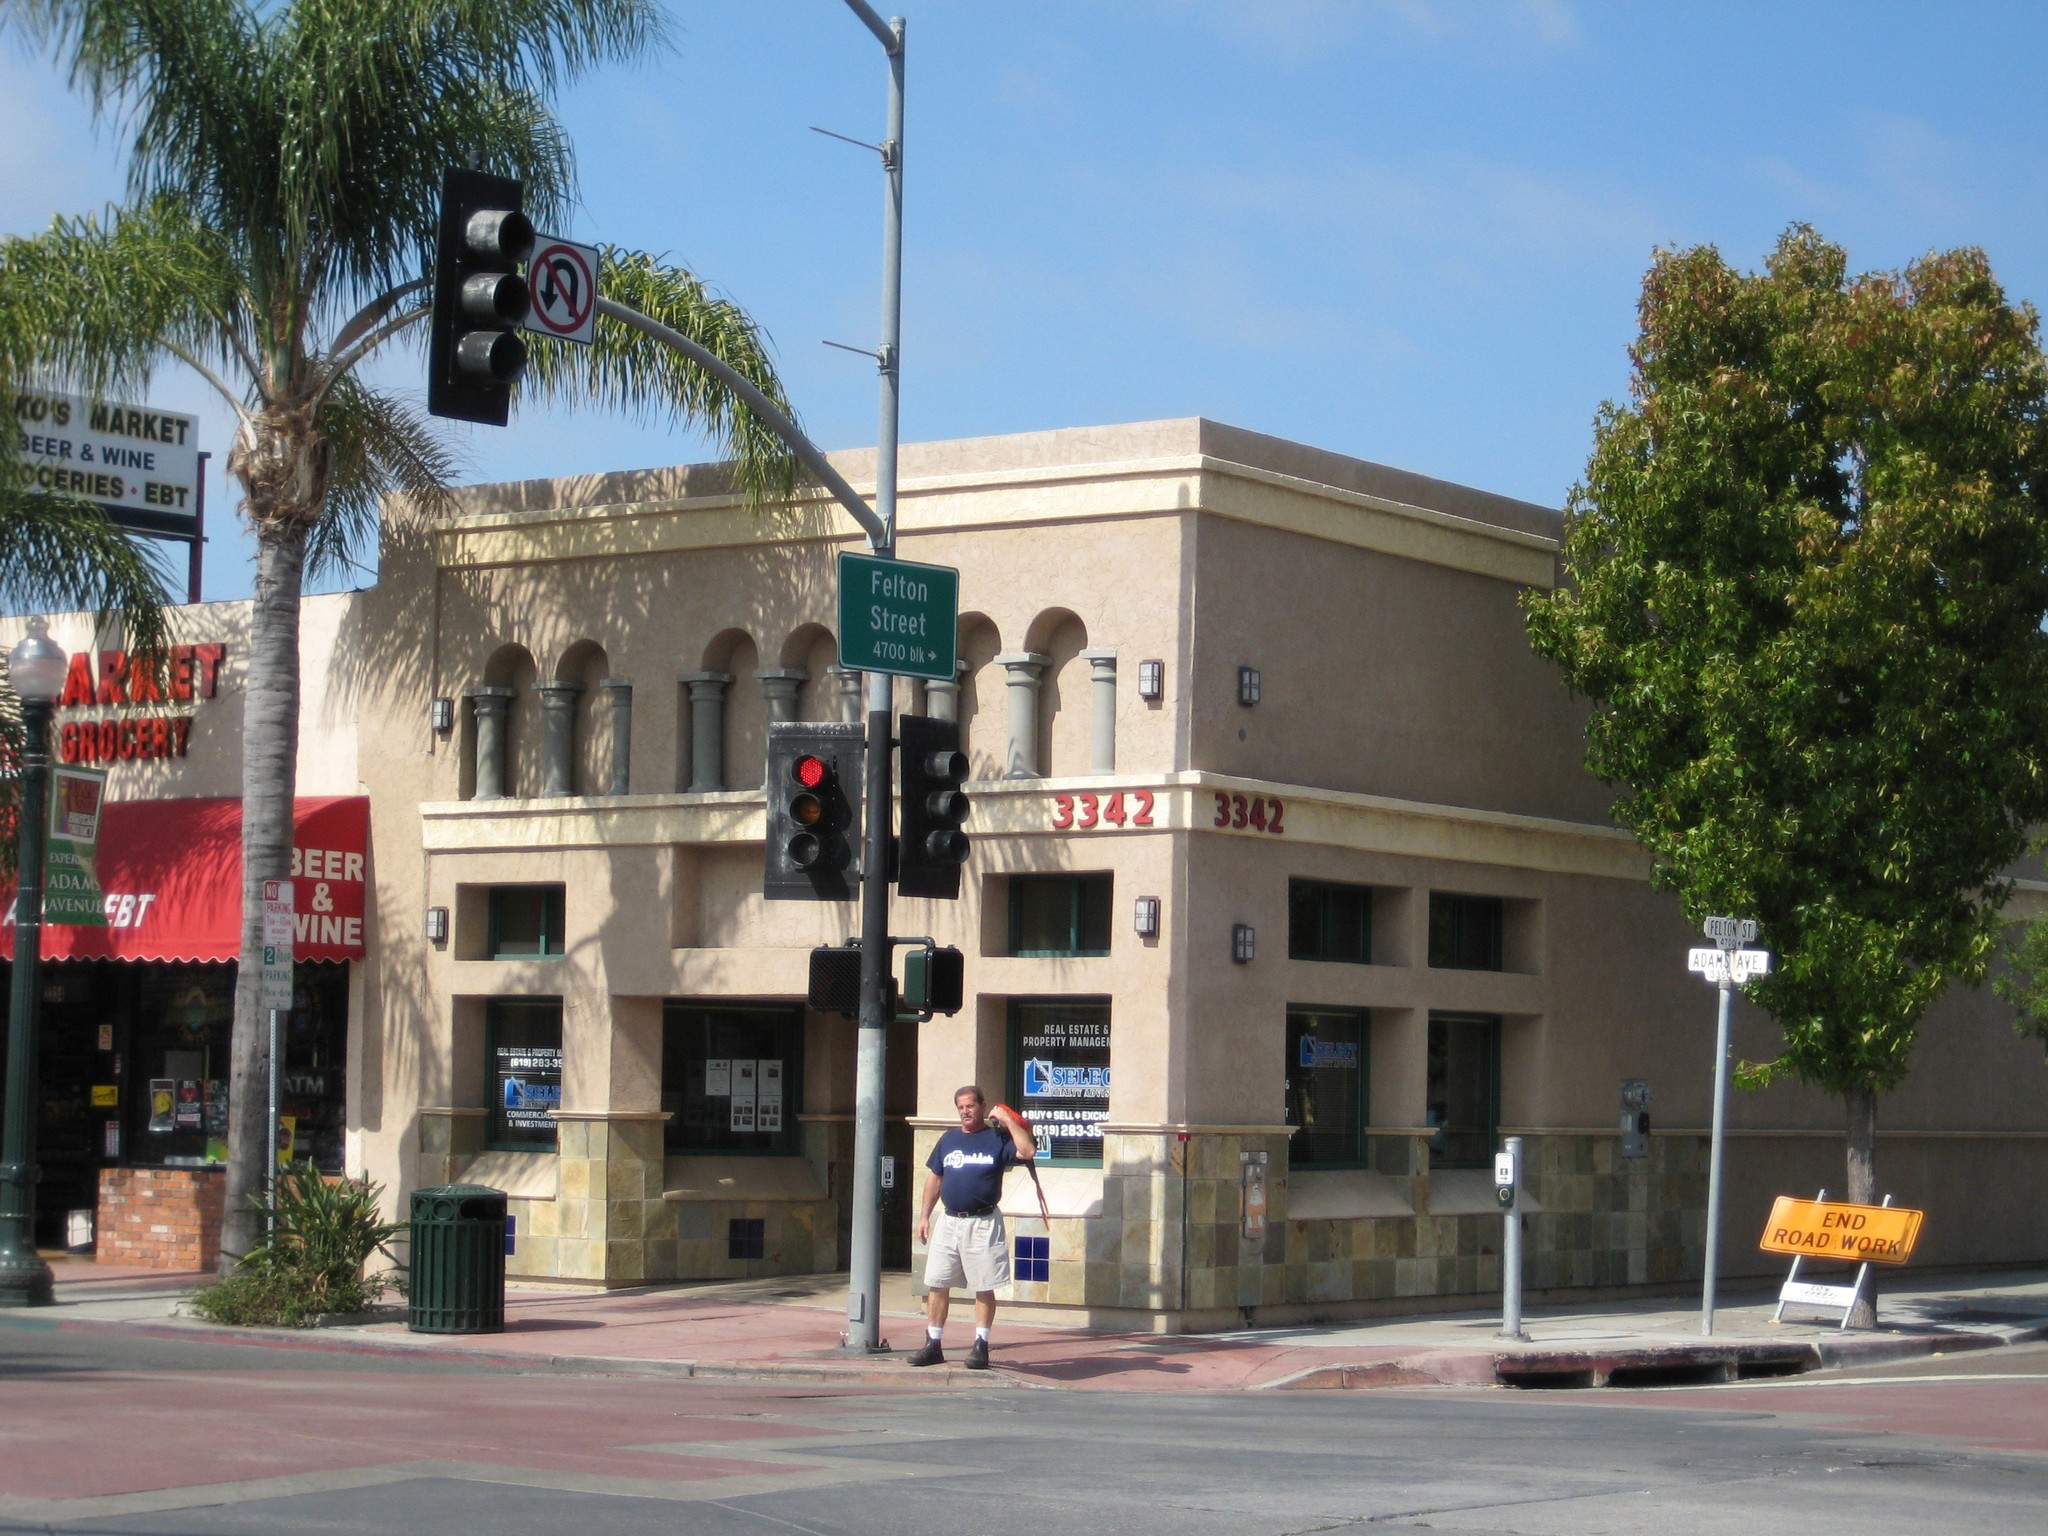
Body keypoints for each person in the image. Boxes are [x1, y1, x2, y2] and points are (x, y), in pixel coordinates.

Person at [908, 1084, 1036, 1369]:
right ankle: (933, 1343)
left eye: (970, 1106)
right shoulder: (949, 1139)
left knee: (984, 1285)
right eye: (961, 1107)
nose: (966, 1111)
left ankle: (980, 1345)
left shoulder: (996, 1139)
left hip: (983, 1222)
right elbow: (935, 1179)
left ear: (981, 1106)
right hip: (949, 1220)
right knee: (937, 1283)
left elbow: (1027, 1151)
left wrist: (1007, 1119)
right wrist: (924, 1216)